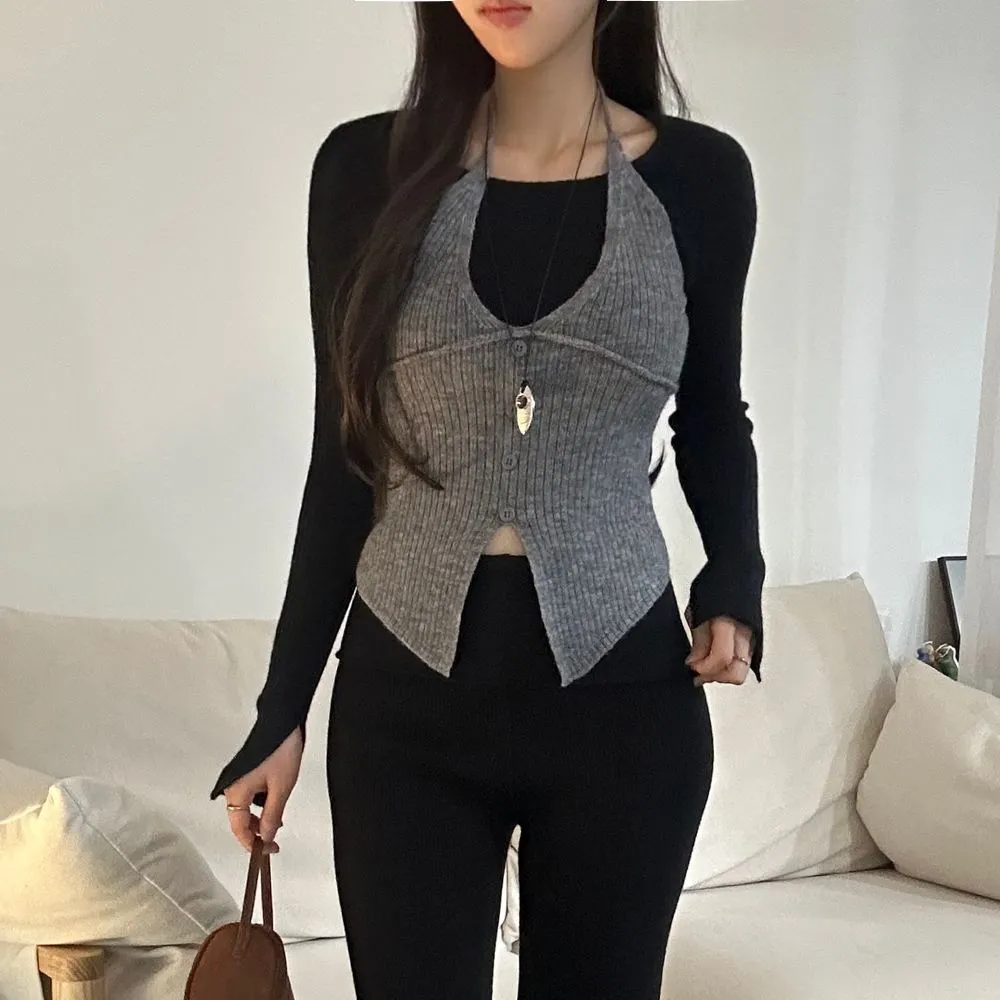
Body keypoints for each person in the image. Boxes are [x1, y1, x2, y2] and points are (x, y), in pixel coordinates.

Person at [210, 1, 765, 996]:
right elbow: (343, 454)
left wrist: (735, 576)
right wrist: (281, 708)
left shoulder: (699, 178)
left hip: (625, 708)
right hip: (405, 715)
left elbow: (713, 415)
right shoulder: (364, 171)